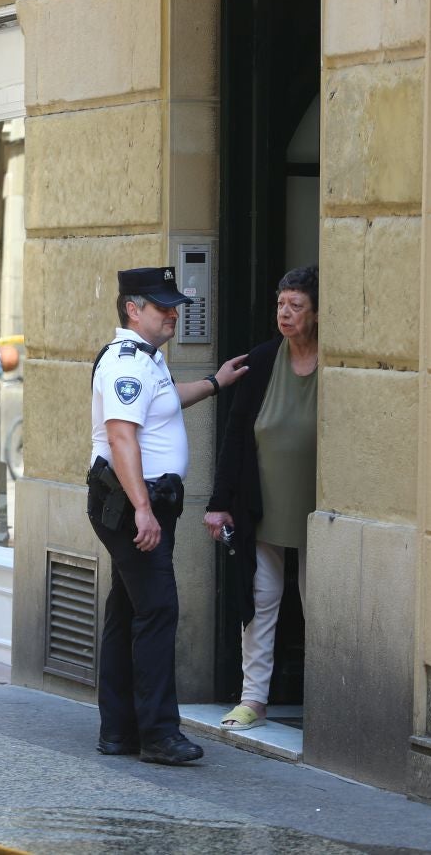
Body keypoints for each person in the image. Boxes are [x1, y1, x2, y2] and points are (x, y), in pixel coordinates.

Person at [88, 267, 248, 765]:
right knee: (157, 611)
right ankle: (158, 734)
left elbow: (164, 401)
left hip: (142, 503)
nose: (173, 313)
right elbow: (121, 437)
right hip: (135, 504)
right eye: (162, 306)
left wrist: (214, 383)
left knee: (128, 609)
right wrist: (142, 510)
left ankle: (119, 730)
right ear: (133, 310)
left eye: (174, 304)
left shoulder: (146, 359)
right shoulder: (126, 364)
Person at [202, 265, 319, 731]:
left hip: (316, 510)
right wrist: (219, 501)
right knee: (261, 598)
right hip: (263, 504)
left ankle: (325, 701)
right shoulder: (264, 359)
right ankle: (253, 699)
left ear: (316, 313)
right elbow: (235, 434)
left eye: (296, 306)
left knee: (318, 602)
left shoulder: (338, 364)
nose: (285, 314)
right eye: (280, 304)